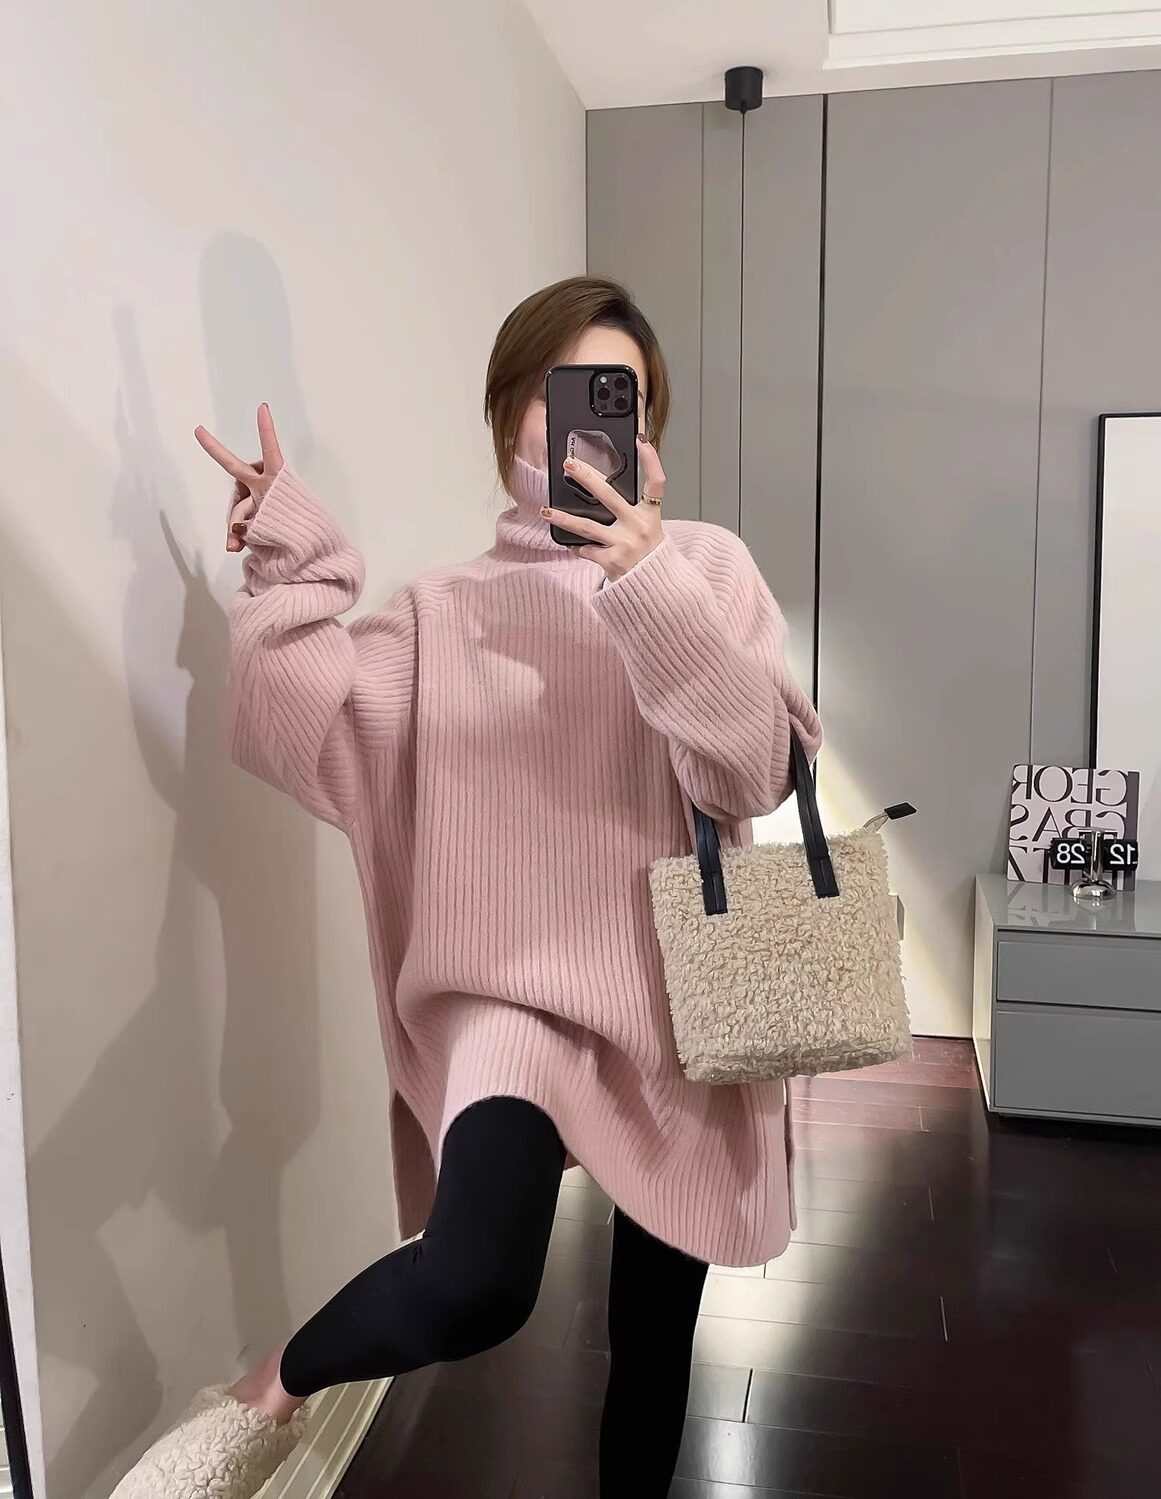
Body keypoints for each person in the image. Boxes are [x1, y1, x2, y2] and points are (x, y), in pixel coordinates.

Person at [111, 276, 823, 1499]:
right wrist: (294, 563)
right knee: (475, 1277)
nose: (594, 422)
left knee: (655, 1342)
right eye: (565, 392)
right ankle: (270, 1386)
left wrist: (646, 584)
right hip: (507, 1001)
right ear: (509, 417)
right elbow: (293, 735)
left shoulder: (707, 569)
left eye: (621, 399)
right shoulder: (441, 612)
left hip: (674, 995)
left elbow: (754, 769)